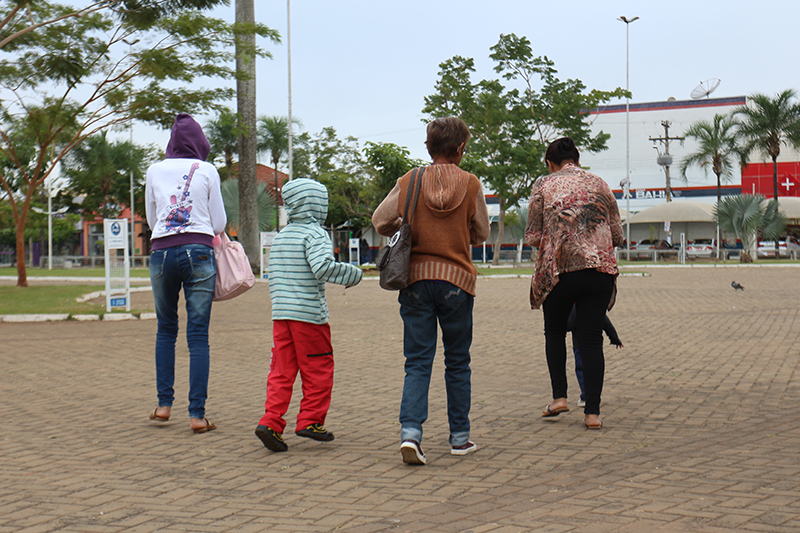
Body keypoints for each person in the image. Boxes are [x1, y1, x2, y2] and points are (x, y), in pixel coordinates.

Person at [372, 116, 490, 465]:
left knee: (418, 361)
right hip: (457, 282)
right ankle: (459, 437)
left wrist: (408, 223)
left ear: (428, 146)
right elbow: (481, 232)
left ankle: (411, 434)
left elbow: (380, 220)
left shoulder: (410, 181)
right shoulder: (470, 184)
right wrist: (457, 232)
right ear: (460, 149)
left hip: (416, 281)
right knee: (458, 362)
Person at [255, 178, 363, 453]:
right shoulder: (315, 234)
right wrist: (354, 274)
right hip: (309, 317)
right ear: (316, 205)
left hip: (281, 317)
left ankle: (271, 422)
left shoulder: (281, 237)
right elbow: (322, 267)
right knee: (319, 368)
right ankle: (310, 420)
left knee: (281, 371)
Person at [525, 137, 624, 430]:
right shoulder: (601, 184)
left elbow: (532, 235)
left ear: (549, 163)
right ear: (578, 160)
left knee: (554, 331)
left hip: (560, 271)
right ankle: (592, 413)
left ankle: (559, 398)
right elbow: (617, 235)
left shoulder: (543, 185)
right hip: (599, 272)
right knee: (591, 339)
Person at [145, 113, 226, 434]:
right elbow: (218, 222)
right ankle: (197, 415)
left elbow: (152, 219)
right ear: (200, 142)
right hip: (200, 252)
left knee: (166, 329)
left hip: (161, 252)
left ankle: (164, 405)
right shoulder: (207, 170)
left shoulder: (154, 170)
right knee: (198, 335)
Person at [566, 303, 623, 407]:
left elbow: (569, 324)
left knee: (581, 369)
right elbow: (606, 323)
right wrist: (614, 338)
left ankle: (586, 395)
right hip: (595, 344)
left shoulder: (575, 307)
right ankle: (593, 395)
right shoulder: (596, 306)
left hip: (579, 345)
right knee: (594, 369)